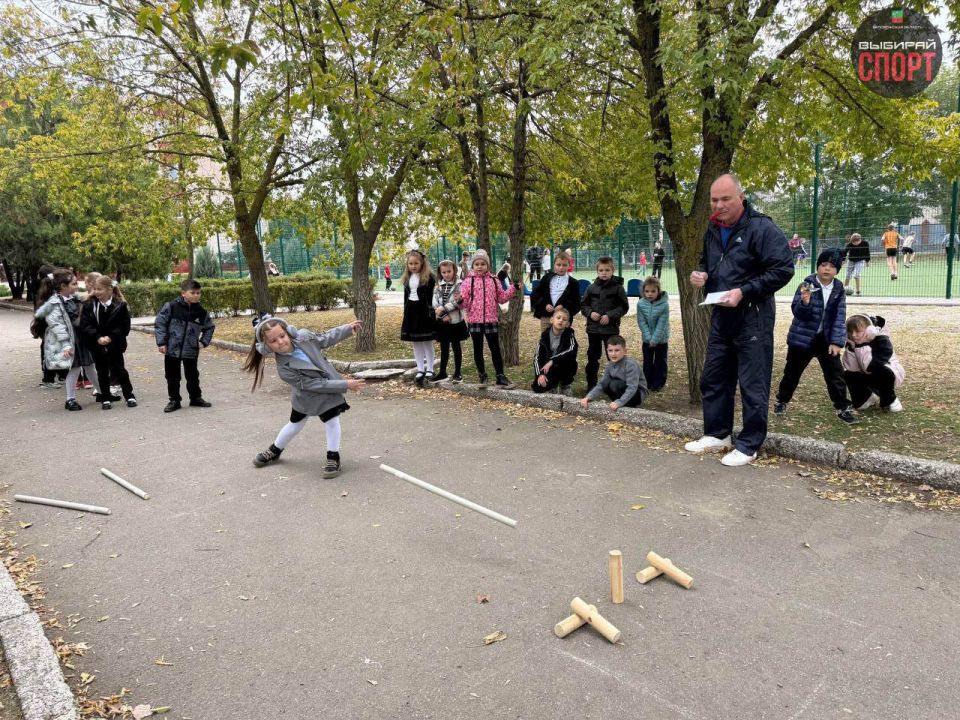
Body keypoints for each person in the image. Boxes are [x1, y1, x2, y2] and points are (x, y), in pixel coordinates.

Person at [685, 174, 794, 467]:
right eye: (714, 200)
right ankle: (718, 434)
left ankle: (749, 444)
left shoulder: (762, 228)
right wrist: (701, 275)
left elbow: (784, 269)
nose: (718, 206)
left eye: (725, 199)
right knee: (715, 375)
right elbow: (707, 263)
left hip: (753, 317)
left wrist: (744, 291)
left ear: (740, 197)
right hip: (721, 314)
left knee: (752, 382)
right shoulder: (712, 227)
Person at [243, 315, 365, 478]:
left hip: (328, 391)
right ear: (266, 347)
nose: (280, 342)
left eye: (282, 336)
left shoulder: (304, 337)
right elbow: (313, 385)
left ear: (289, 332)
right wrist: (345, 384)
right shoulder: (284, 369)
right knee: (294, 425)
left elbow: (325, 338)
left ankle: (333, 457)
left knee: (332, 421)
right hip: (307, 396)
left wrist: (346, 329)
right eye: (273, 341)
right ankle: (275, 450)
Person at [772, 249, 858, 425]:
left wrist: (836, 341)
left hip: (826, 340)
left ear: (837, 270)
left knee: (835, 374)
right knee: (792, 373)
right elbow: (798, 313)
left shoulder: (838, 288)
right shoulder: (807, 284)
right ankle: (782, 400)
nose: (827, 269)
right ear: (818, 266)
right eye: (823, 265)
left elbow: (839, 316)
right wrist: (805, 303)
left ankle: (842, 407)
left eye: (832, 266)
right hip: (802, 339)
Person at [34, 269, 104, 411]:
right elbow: (57, 326)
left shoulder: (72, 297)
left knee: (89, 365)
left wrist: (91, 294)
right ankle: (70, 399)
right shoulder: (54, 304)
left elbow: (83, 297)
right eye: (73, 284)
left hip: (80, 338)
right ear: (62, 287)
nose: (76, 286)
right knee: (75, 367)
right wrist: (66, 345)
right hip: (70, 341)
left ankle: (102, 393)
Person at [155, 278, 215, 413]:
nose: (196, 295)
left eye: (198, 293)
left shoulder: (201, 312)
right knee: (172, 376)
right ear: (183, 293)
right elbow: (160, 324)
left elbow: (209, 327)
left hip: (191, 349)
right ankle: (174, 400)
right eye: (192, 292)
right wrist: (162, 342)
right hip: (172, 349)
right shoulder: (171, 307)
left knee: (193, 375)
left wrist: (203, 342)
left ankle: (195, 398)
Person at [458, 248, 516, 387]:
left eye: (483, 264)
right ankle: (482, 376)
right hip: (474, 320)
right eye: (476, 264)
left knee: (495, 349)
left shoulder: (494, 280)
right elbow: (464, 303)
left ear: (487, 265)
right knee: (477, 349)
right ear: (472, 266)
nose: (480, 267)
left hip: (491, 320)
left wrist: (513, 288)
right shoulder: (467, 281)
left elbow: (502, 298)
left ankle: (500, 376)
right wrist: (460, 301)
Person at [80, 276, 137, 409]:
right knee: (102, 371)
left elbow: (124, 326)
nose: (97, 292)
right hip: (97, 344)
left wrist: (111, 337)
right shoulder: (89, 305)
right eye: (95, 289)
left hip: (115, 344)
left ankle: (129, 395)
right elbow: (85, 325)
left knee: (120, 370)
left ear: (110, 289)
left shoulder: (120, 306)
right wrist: (98, 337)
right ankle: (105, 397)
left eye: (100, 289)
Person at [580, 256, 629, 391]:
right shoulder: (591, 288)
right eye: (601, 270)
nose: (604, 273)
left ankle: (616, 385)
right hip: (593, 330)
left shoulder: (618, 288)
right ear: (597, 271)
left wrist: (610, 315)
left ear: (612, 270)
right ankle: (591, 384)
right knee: (593, 357)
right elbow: (583, 306)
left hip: (610, 330)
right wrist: (590, 313)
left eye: (607, 270)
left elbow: (623, 307)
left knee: (614, 357)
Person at [842, 314, 904, 413]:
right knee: (848, 374)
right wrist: (851, 348)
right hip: (868, 372)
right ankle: (867, 398)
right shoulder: (853, 343)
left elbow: (873, 365)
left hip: (889, 372)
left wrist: (862, 345)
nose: (853, 335)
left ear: (869, 330)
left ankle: (890, 399)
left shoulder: (881, 340)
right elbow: (852, 368)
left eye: (858, 331)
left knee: (880, 371)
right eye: (850, 332)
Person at [400, 249, 436, 387]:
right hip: (411, 311)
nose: (413, 266)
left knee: (427, 340)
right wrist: (405, 311)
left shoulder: (429, 277)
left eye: (416, 263)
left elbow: (432, 297)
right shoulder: (407, 279)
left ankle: (430, 369)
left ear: (422, 263)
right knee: (416, 342)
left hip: (424, 311)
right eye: (410, 263)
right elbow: (406, 297)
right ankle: (420, 369)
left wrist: (431, 312)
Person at [578, 335, 646, 410]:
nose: (613, 354)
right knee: (607, 383)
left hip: (637, 394)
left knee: (615, 384)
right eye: (610, 350)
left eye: (617, 350)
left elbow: (632, 387)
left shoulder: (630, 365)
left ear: (625, 351)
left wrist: (619, 402)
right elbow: (602, 385)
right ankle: (619, 403)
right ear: (607, 351)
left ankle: (628, 405)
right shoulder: (610, 364)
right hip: (622, 390)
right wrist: (588, 397)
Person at [432, 259, 468, 383]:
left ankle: (458, 373)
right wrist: (442, 315)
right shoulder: (438, 286)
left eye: (449, 271)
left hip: (456, 321)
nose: (446, 274)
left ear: (454, 270)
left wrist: (444, 309)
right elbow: (435, 303)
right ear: (440, 272)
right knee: (444, 347)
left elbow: (460, 302)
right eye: (444, 272)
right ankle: (443, 372)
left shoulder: (460, 285)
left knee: (456, 347)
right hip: (443, 322)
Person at [32, 264, 68, 388]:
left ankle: (60, 374)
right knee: (49, 350)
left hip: (48, 327)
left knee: (56, 349)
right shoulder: (49, 294)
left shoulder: (45, 290)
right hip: (49, 327)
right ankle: (48, 378)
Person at [530, 250, 580, 332]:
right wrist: (545, 305)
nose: (561, 267)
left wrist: (564, 307)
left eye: (564, 265)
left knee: (562, 342)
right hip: (546, 317)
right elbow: (535, 295)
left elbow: (576, 303)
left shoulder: (573, 283)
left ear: (569, 266)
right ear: (554, 265)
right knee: (546, 341)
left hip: (563, 319)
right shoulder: (546, 278)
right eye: (558, 265)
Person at [532, 306, 578, 394]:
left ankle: (565, 385)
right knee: (539, 387)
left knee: (568, 360)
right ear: (552, 320)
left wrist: (552, 361)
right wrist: (540, 374)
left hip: (563, 366)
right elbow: (537, 357)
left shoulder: (570, 335)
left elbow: (571, 351)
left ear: (568, 324)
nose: (561, 320)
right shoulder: (544, 336)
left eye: (564, 319)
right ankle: (552, 385)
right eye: (558, 318)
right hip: (549, 368)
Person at [635, 276, 670, 391]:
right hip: (646, 339)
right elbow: (641, 321)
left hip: (661, 339)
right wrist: (648, 337)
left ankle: (658, 383)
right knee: (648, 361)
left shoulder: (664, 305)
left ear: (658, 291)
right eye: (647, 291)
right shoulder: (640, 304)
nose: (650, 294)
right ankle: (647, 382)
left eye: (653, 291)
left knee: (660, 361)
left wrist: (655, 339)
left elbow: (662, 324)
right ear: (643, 291)